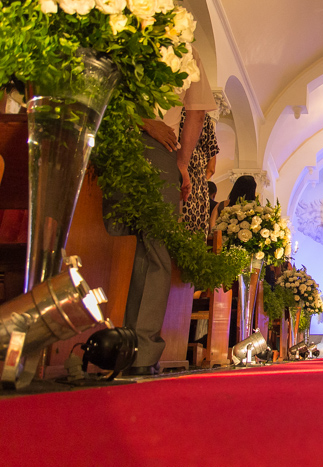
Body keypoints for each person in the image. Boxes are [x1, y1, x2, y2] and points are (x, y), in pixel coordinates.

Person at [105, 46, 216, 376]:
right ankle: (138, 349)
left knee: (111, 237)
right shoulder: (183, 41)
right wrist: (181, 162)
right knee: (153, 248)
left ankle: (97, 338)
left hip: (110, 135)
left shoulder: (121, 23)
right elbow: (195, 112)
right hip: (157, 146)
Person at [182, 111, 219, 233]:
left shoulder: (173, 112)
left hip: (171, 175)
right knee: (193, 233)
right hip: (196, 185)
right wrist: (201, 180)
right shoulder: (203, 117)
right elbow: (211, 168)